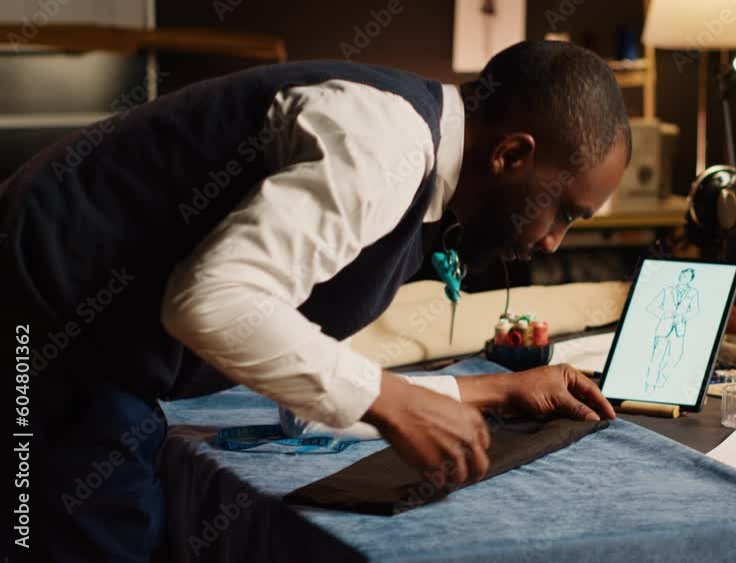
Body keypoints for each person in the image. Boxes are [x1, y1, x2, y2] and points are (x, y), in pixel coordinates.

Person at [0, 40, 630, 562]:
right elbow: (213, 301)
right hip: (39, 334)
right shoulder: (383, 146)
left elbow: (306, 380)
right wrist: (392, 400)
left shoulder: (416, 169)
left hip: (87, 349)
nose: (553, 241)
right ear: (512, 154)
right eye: (564, 212)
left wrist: (487, 392)